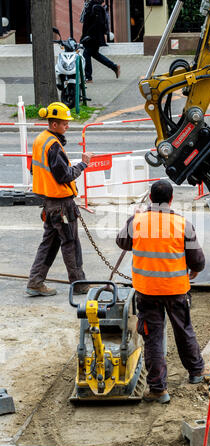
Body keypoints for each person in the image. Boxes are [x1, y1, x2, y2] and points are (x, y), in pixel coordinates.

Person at [116, 180, 209, 404]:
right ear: (171, 199)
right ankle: (196, 372)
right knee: (184, 330)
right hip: (176, 289)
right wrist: (194, 269)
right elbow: (198, 260)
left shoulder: (137, 221)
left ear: (150, 198)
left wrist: (134, 217)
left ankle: (158, 389)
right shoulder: (182, 224)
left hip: (147, 292)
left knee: (153, 338)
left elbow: (122, 242)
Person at [26, 102, 93, 297]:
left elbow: (34, 169)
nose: (67, 126)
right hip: (62, 205)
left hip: (49, 203)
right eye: (64, 124)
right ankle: (79, 283)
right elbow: (64, 175)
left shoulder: (41, 139)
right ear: (54, 124)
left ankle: (35, 281)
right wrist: (84, 164)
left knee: (49, 243)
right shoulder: (53, 145)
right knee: (70, 243)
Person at [80, 0, 120, 83]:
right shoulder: (90, 6)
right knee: (95, 54)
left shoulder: (96, 7)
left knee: (86, 54)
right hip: (90, 36)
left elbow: (98, 23)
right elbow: (87, 23)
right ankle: (114, 67)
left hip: (93, 37)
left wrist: (88, 35)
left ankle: (88, 78)